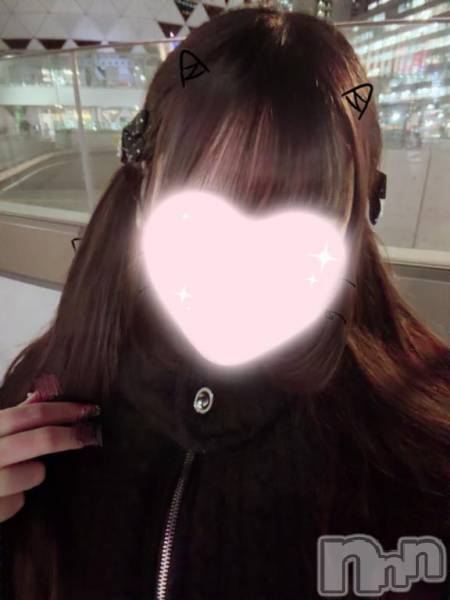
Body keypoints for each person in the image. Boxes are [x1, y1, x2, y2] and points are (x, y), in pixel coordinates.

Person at [1, 7, 450, 600]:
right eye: (204, 197)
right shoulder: (40, 405)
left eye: (302, 211)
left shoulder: (421, 460)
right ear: (144, 191)